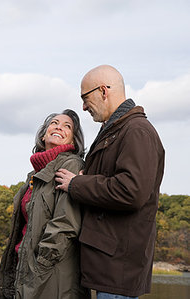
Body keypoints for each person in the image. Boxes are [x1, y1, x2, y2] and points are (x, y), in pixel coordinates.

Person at [55, 65, 165, 299]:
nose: (83, 107)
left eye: (86, 98)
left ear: (103, 91)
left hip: (118, 270)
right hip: (106, 265)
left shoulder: (137, 131)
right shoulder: (116, 130)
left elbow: (131, 192)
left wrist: (77, 184)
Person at [0, 109, 91, 299]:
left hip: (51, 275)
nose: (59, 127)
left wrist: (40, 265)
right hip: (24, 268)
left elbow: (65, 224)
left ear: (73, 141)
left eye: (67, 127)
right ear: (43, 134)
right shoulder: (34, 176)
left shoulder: (71, 166)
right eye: (54, 123)